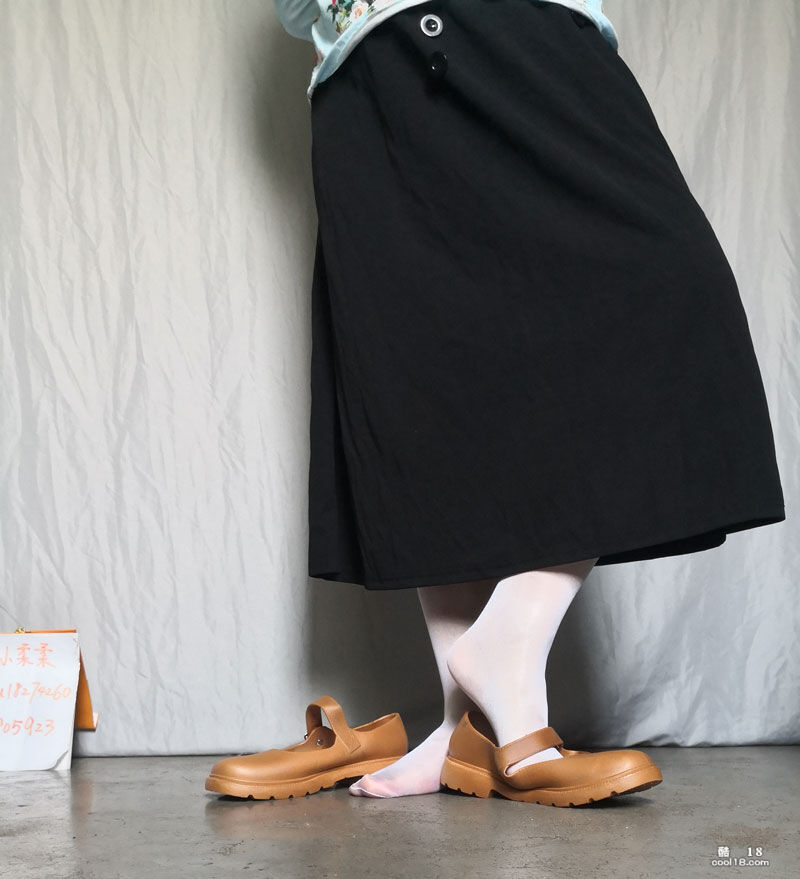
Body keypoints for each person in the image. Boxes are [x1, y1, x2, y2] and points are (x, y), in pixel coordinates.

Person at [280, 0, 786, 800]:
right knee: (428, 378)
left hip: (533, 34)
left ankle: (503, 651)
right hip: (379, 57)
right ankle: (472, 728)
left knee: (673, 289)